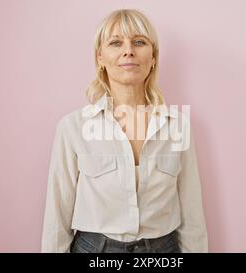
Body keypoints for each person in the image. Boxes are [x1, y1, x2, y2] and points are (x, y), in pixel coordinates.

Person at [41, 9, 208, 253]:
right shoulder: (73, 127)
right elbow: (57, 215)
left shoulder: (178, 126)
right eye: (116, 42)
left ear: (153, 58)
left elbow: (192, 214)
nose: (128, 50)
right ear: (100, 57)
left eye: (139, 42)